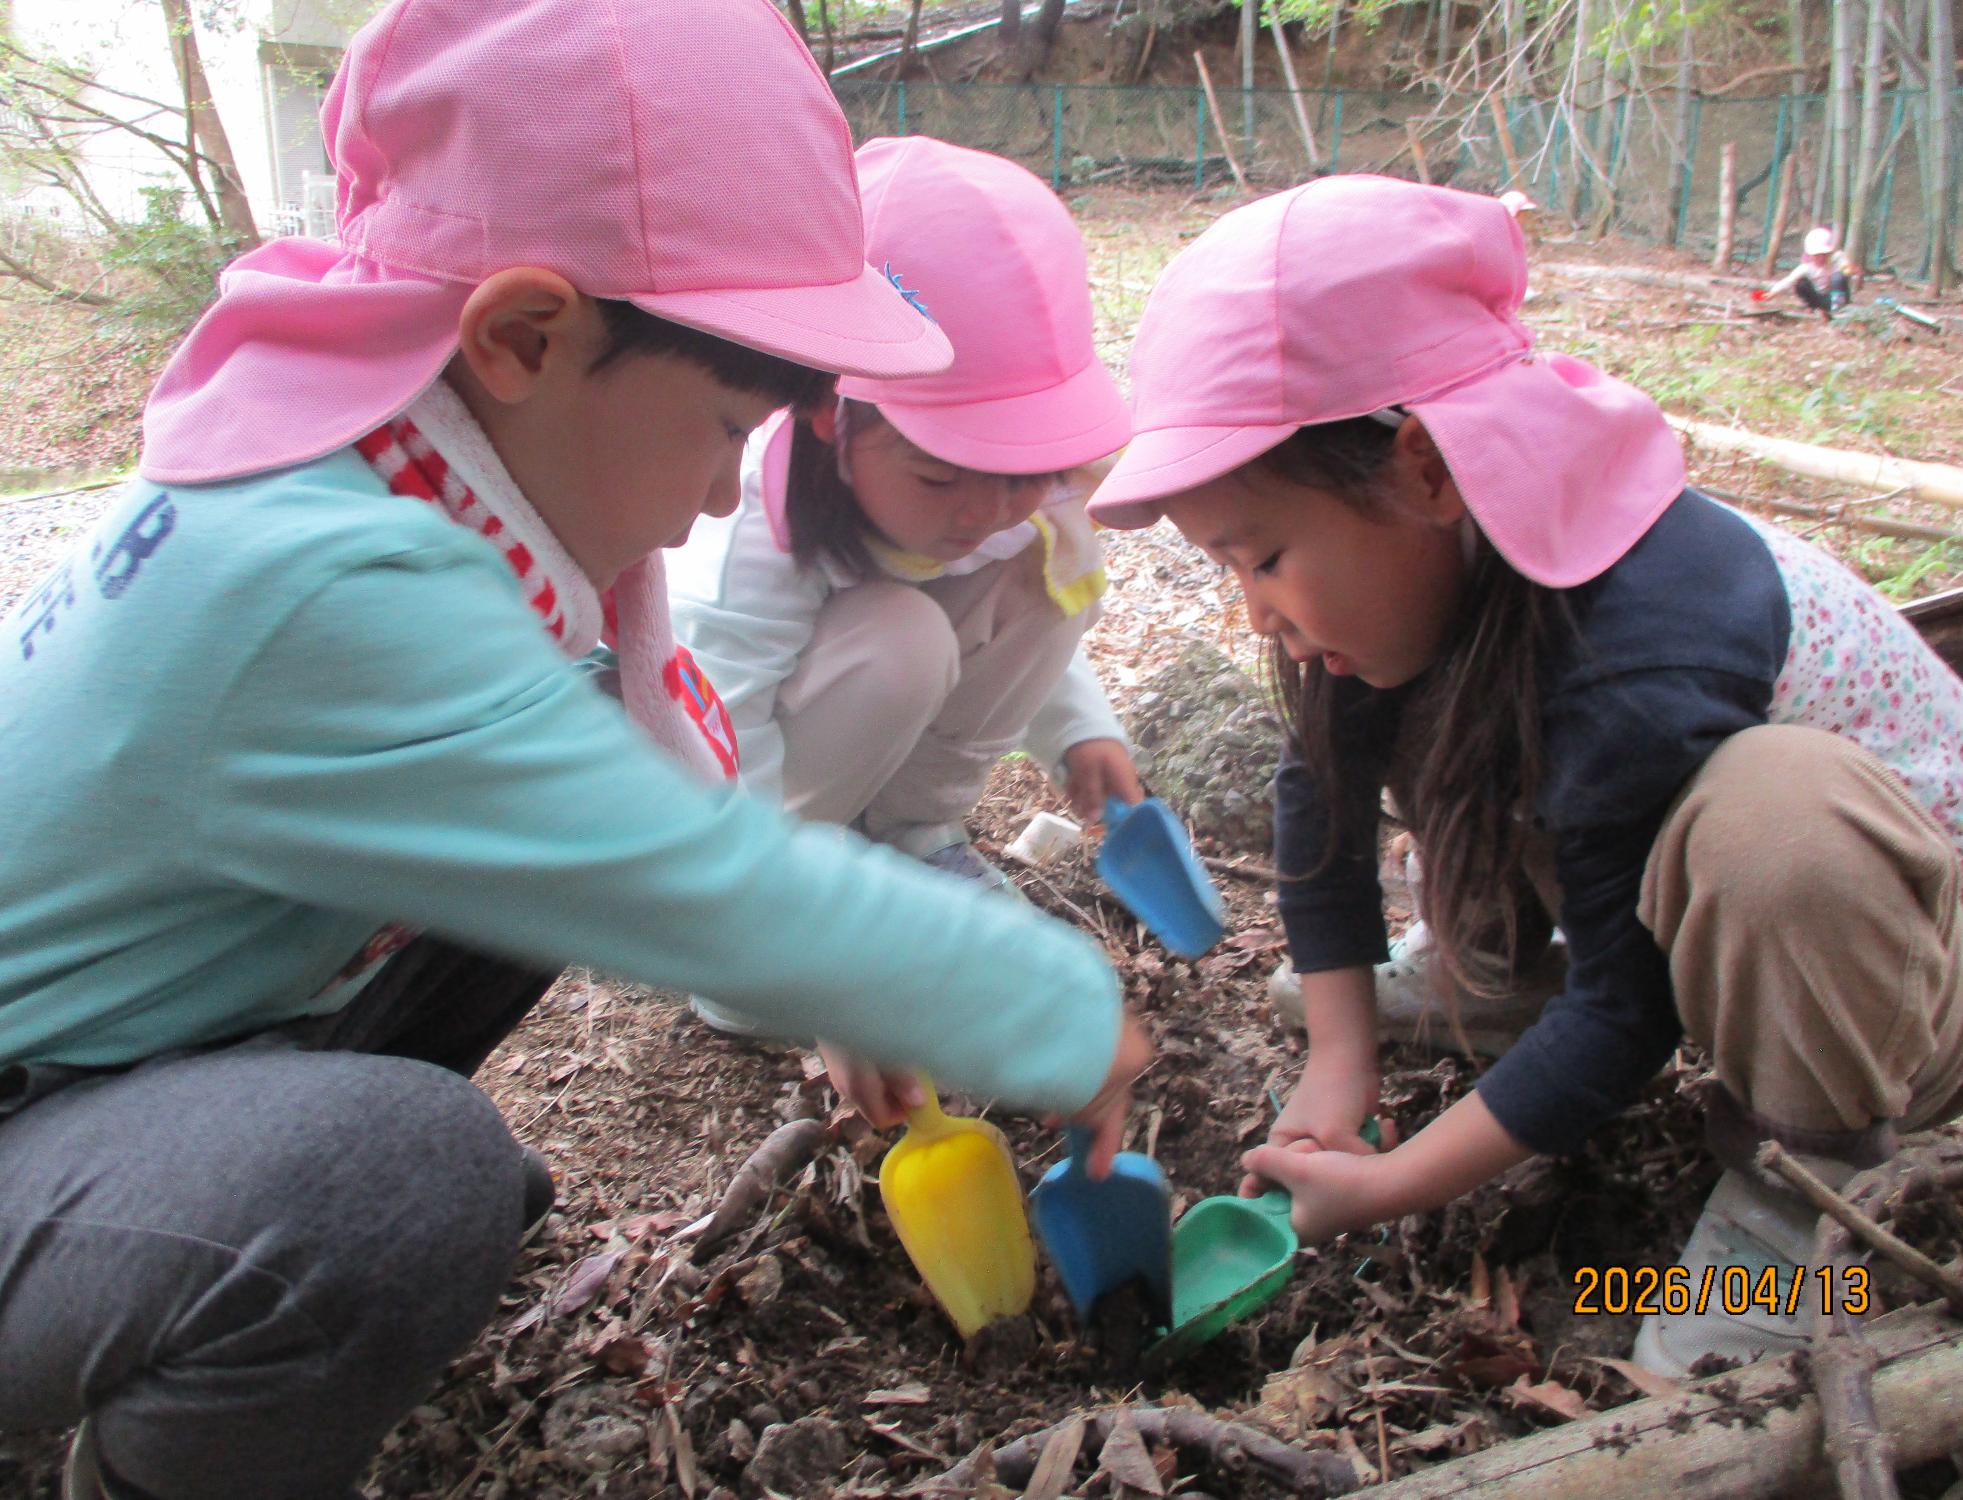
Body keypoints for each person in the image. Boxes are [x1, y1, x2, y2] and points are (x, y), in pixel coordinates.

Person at [0, 5, 1150, 1497]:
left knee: (540, 853)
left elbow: (639, 811)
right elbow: (675, 872)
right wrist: (1052, 1004)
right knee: (397, 1185)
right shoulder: (322, 585)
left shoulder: (395, 459)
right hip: (35, 1102)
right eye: (721, 427)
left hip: (142, 1040)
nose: (726, 489)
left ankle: (250, 1228)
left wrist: (841, 975)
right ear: (527, 334)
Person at [1083, 175, 1963, 1379]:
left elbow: (1627, 1015)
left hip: (1910, 970)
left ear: (1419, 467)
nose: (1253, 609)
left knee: (1769, 820)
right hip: (1662, 889)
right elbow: (1319, 792)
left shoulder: (1638, 644)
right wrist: (1339, 1054)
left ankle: (1799, 1210)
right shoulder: (1444, 554)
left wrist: (1391, 1185)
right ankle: (1502, 981)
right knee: (1406, 694)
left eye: (1259, 557)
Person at [673, 137, 1144, 1076]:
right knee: (901, 639)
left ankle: (914, 838)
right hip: (755, 816)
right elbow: (720, 743)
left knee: (1049, 576)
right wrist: (801, 945)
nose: (987, 512)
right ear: (825, 415)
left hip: (869, 739)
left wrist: (1080, 728)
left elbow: (1037, 604)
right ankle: (769, 950)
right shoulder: (747, 536)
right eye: (939, 476)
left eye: (1023, 471)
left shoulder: (1006, 496)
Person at [1757, 225, 1857, 318]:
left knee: (1838, 277)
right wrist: (1773, 292)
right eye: (1817, 255)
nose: (1821, 258)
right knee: (1801, 284)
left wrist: (1848, 270)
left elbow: (1847, 268)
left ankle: (1837, 309)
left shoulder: (1837, 258)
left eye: (1824, 254)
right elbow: (1789, 280)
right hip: (1820, 297)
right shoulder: (1807, 267)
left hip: (1836, 296)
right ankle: (1814, 307)